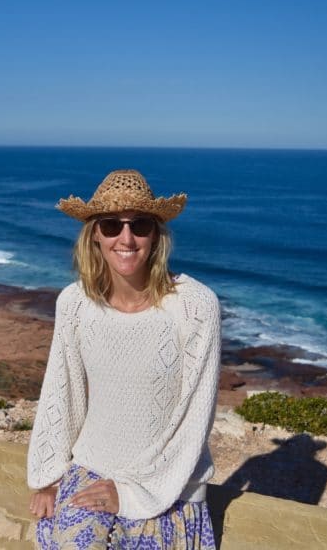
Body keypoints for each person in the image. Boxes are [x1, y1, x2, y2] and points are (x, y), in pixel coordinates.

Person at [27, 169, 220, 550]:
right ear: (94, 234)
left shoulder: (196, 306)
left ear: (157, 235)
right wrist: (47, 478)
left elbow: (195, 418)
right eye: (112, 225)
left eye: (141, 225)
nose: (126, 238)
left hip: (168, 486)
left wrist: (132, 493)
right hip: (91, 470)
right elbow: (61, 392)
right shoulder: (75, 303)